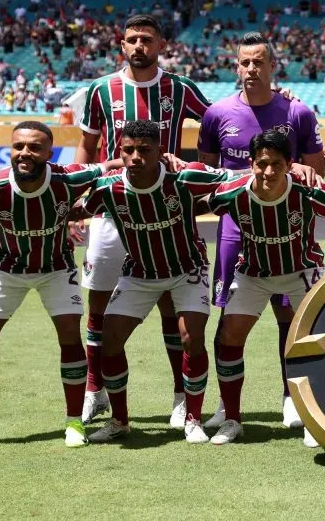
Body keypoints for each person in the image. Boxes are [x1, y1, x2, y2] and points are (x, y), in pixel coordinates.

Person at [73, 14, 213, 430]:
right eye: (132, 39)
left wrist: (195, 169)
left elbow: (218, 125)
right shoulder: (101, 89)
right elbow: (87, 145)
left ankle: (180, 397)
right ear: (122, 45)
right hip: (112, 209)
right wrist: (79, 196)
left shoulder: (181, 88)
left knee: (173, 305)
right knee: (98, 306)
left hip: (165, 211)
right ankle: (95, 390)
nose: (139, 46)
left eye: (147, 39)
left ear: (161, 45)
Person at [0, 121, 121, 450]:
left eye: (34, 147)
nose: (25, 153)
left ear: (49, 152)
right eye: (18, 146)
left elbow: (109, 166)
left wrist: (163, 160)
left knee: (69, 333)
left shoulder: (68, 178)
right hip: (7, 268)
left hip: (55, 267)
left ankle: (74, 422)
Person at [204, 128, 325, 447]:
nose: (268, 171)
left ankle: (315, 418)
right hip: (253, 273)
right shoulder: (232, 192)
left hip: (301, 271)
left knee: (316, 341)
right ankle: (232, 418)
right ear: (251, 164)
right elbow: (193, 205)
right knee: (229, 336)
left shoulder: (309, 189)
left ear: (290, 164)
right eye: (261, 164)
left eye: (277, 164)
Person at [196, 31, 325, 431]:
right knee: (230, 320)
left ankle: (292, 399)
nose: (251, 68)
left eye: (258, 62)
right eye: (244, 62)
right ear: (236, 66)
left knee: (291, 319)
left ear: (273, 66)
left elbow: (316, 174)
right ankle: (227, 404)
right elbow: (206, 178)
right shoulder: (217, 113)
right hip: (235, 232)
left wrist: (299, 170)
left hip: (287, 232)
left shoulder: (297, 112)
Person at [76, 120, 231, 444]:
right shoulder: (107, 188)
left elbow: (238, 178)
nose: (135, 157)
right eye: (128, 150)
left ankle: (192, 419)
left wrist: (293, 169)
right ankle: (119, 421)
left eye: (144, 150)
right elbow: (78, 209)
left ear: (160, 151)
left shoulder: (185, 177)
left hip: (187, 270)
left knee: (191, 337)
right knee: (109, 340)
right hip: (140, 273)